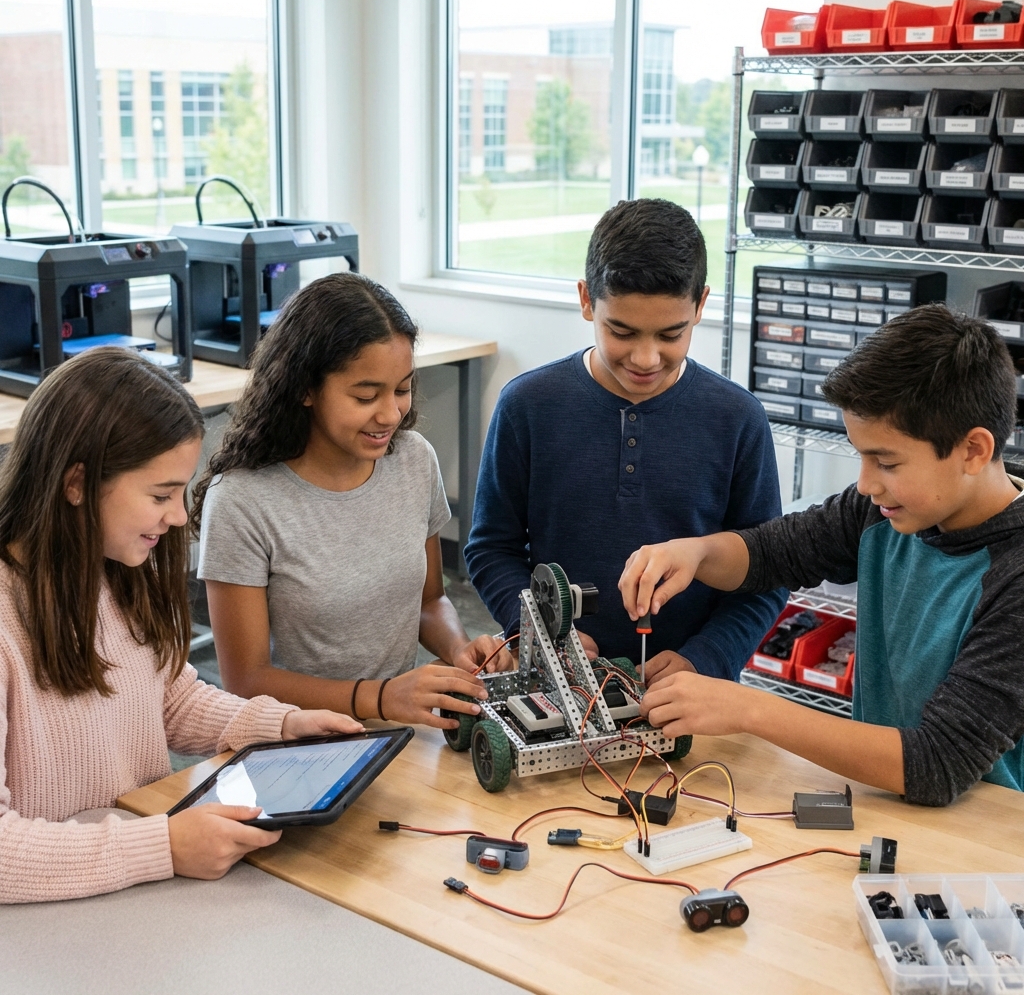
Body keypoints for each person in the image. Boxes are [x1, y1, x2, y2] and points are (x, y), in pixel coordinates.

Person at [619, 305, 1024, 807]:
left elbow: (937, 762)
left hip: (986, 838)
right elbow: (769, 554)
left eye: (887, 461)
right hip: (886, 806)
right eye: (861, 454)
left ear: (973, 450)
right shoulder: (878, 511)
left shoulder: (1015, 575)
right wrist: (695, 553)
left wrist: (750, 710)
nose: (866, 482)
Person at [0, 348, 362, 904]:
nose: (178, 518)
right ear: (76, 483)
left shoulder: (109, 568)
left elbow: (166, 699)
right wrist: (161, 846)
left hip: (121, 886)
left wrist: (277, 728)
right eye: (160, 494)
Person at [465, 198, 786, 681]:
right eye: (622, 331)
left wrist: (706, 659)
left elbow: (764, 575)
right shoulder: (527, 405)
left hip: (692, 691)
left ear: (700, 305)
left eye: (671, 335)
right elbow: (491, 549)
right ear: (586, 300)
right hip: (558, 680)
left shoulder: (738, 419)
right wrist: (547, 636)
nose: (646, 357)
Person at [194, 274, 510, 730]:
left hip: (397, 725)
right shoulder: (243, 500)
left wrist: (458, 649)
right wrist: (379, 698)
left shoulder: (414, 459)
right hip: (301, 737)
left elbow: (429, 601)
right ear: (304, 388)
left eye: (402, 390)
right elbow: (245, 680)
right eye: (365, 396)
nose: (390, 414)